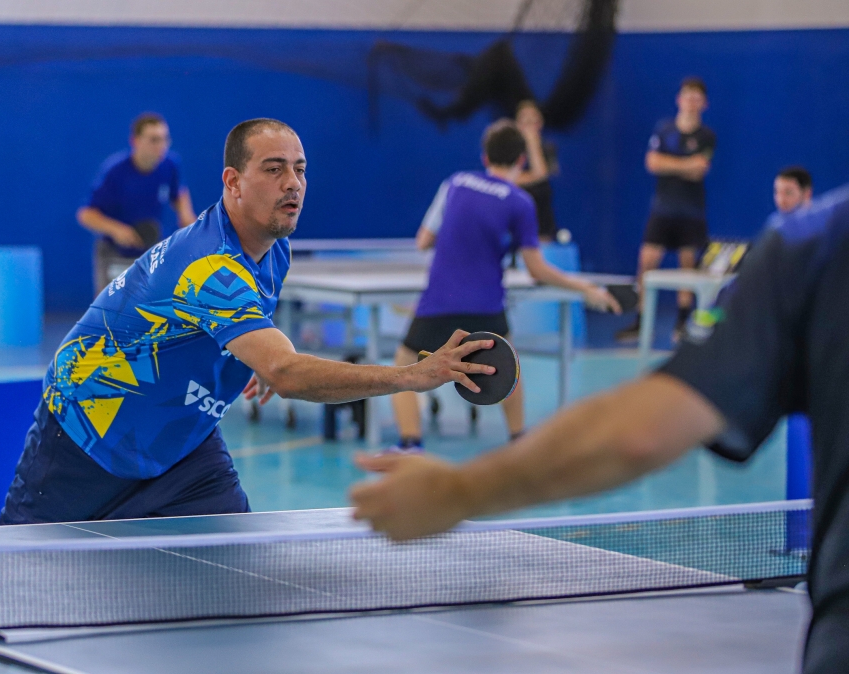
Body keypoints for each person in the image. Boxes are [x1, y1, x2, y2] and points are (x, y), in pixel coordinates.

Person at [351, 184, 849, 674]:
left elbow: (643, 431)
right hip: (484, 304)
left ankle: (413, 441)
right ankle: (507, 435)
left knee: (412, 357)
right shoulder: (814, 243)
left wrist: (455, 493)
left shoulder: (815, 243)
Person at [0, 118, 496, 525]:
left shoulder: (275, 249)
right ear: (233, 182)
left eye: (300, 170)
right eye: (274, 169)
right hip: (87, 437)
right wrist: (412, 376)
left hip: (183, 444)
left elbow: (242, 335)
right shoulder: (210, 266)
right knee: (17, 581)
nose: (293, 183)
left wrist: (249, 357)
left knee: (237, 564)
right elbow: (287, 373)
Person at [388, 120, 620, 451]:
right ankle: (518, 439)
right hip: (486, 305)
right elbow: (536, 269)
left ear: (485, 157)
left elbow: (423, 241)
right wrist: (585, 288)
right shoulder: (521, 202)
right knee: (509, 367)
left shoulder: (455, 183)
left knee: (404, 363)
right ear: (522, 160)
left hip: (439, 302)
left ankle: (411, 443)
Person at [617, 77, 716, 342]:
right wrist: (685, 164)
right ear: (679, 100)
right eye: (687, 96)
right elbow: (652, 163)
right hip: (663, 209)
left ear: (704, 104)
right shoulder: (665, 130)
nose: (691, 102)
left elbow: (699, 170)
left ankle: (682, 322)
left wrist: (669, 163)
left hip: (692, 211)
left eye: (697, 98)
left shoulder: (706, 136)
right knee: (647, 263)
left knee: (687, 267)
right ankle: (640, 320)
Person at [78, 112, 198, 296]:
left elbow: (179, 193)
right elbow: (86, 215)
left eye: (165, 139)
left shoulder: (170, 165)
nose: (161, 146)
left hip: (150, 250)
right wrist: (117, 230)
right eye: (154, 140)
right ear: (135, 141)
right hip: (114, 253)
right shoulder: (115, 172)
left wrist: (187, 218)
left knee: (152, 306)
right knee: (110, 309)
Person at [513, 100, 561, 242]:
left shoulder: (549, 148)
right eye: (525, 120)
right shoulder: (511, 151)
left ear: (540, 123)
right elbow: (510, 179)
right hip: (515, 218)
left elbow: (542, 173)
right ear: (517, 124)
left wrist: (532, 143)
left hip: (542, 221)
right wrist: (532, 177)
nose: (529, 125)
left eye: (533, 120)